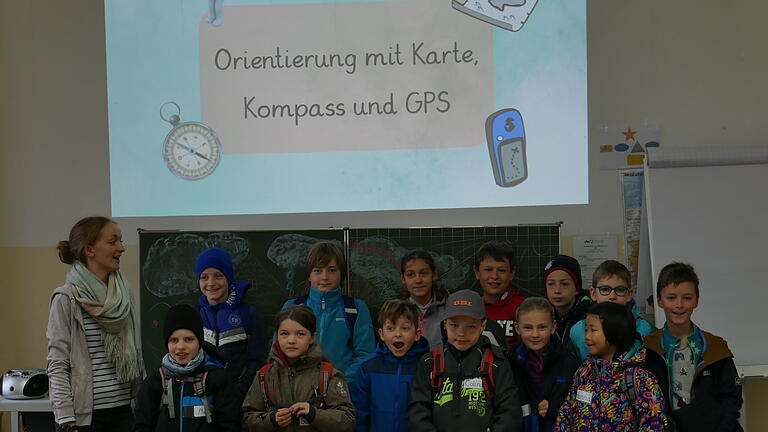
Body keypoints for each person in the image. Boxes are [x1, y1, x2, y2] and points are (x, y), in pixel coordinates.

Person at [47, 217, 144, 432]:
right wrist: (65, 418)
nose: (121, 248)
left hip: (123, 411)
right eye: (113, 242)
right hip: (84, 418)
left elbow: (135, 358)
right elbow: (57, 363)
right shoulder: (66, 298)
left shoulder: (123, 294)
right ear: (89, 250)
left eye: (121, 241)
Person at [643, 262, 743, 432]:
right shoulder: (648, 348)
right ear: (659, 300)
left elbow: (731, 397)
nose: (679, 305)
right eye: (671, 297)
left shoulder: (715, 347)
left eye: (687, 298)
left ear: (696, 301)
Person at [408, 289, 522, 432]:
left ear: (483, 326)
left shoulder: (496, 363)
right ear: (445, 324)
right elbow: (417, 411)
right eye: (454, 325)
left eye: (471, 326)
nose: (461, 333)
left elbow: (510, 414)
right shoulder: (429, 363)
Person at [554, 302, 668, 432]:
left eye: (593, 330)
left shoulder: (640, 379)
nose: (587, 337)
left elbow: (653, 424)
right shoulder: (583, 372)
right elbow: (565, 415)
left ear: (615, 332)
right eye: (586, 330)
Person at [242, 305, 356, 432]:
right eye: (284, 334)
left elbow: (348, 420)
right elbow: (247, 420)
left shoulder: (328, 375)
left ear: (312, 337)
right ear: (277, 336)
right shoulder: (264, 375)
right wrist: (272, 420)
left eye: (300, 334)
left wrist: (314, 414)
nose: (291, 340)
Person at [133, 305, 240, 432]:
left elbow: (230, 425)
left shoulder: (217, 379)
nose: (181, 346)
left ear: (199, 342)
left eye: (189, 339)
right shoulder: (154, 383)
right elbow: (142, 426)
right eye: (174, 340)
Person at [280, 241, 375, 384]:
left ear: (341, 274)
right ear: (309, 275)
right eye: (317, 270)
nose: (324, 277)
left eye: (332, 270)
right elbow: (278, 352)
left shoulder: (356, 309)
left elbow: (365, 355)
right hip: (298, 392)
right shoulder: (292, 307)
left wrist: (337, 383)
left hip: (342, 394)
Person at [194, 247, 268, 402]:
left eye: (218, 276)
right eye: (204, 277)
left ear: (228, 277)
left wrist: (236, 394)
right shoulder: (193, 316)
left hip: (239, 399)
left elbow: (257, 361)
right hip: (201, 399)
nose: (211, 283)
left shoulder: (250, 315)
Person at [352, 300, 430, 432]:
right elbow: (360, 414)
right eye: (390, 328)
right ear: (381, 334)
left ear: (417, 334)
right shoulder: (368, 368)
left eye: (405, 328)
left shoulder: (427, 366)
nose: (397, 334)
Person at [509, 298, 580, 432]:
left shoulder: (568, 361)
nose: (535, 334)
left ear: (553, 327)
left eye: (542, 327)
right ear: (517, 328)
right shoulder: (510, 361)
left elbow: (579, 400)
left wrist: (555, 405)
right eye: (528, 328)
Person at [569, 260, 655, 361]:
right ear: (593, 293)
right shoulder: (578, 331)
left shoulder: (644, 329)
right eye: (605, 289)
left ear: (629, 294)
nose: (612, 296)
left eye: (619, 290)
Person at [474, 241, 526, 347]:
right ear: (477, 272)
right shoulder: (470, 308)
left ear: (512, 273)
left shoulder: (524, 308)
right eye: (488, 270)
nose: (494, 276)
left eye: (501, 270)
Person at [399, 250, 449, 349]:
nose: (418, 280)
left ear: (434, 275)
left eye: (424, 273)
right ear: (403, 278)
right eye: (410, 275)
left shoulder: (450, 306)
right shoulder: (397, 311)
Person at [543, 255, 592, 346]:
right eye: (551, 284)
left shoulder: (590, 316)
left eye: (564, 284)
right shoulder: (542, 315)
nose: (557, 290)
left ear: (577, 288)